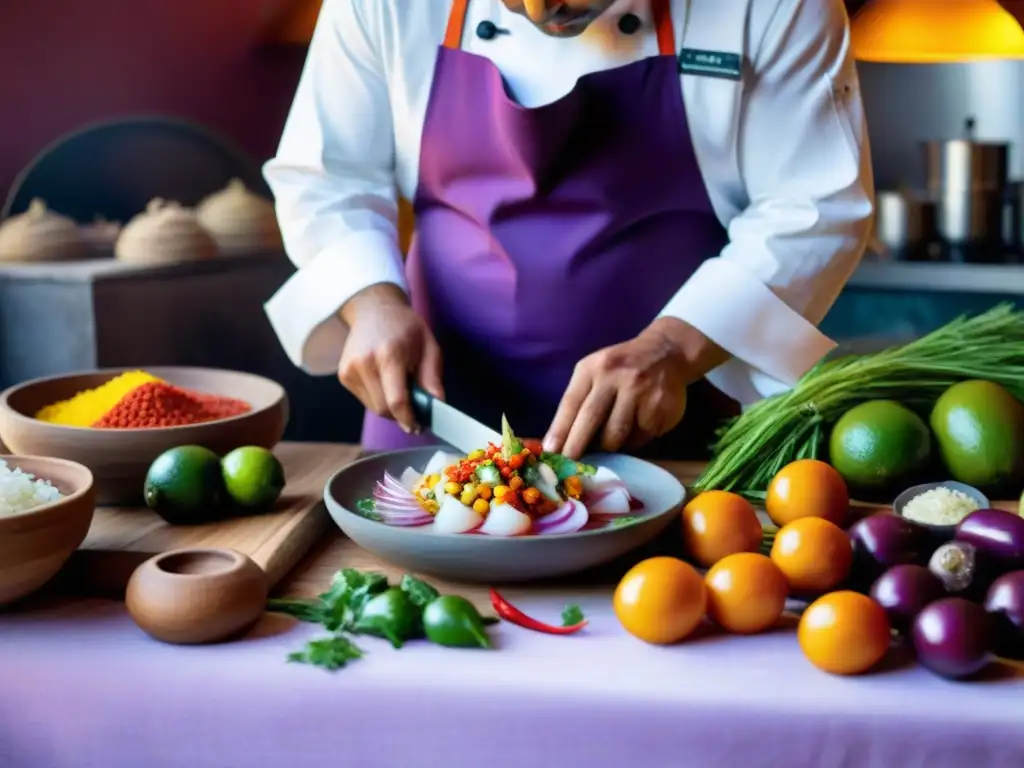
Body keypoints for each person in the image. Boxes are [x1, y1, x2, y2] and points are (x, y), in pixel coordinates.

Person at [264, 0, 873, 459]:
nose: (540, 10)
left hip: (674, 423)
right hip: (431, 418)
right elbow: (328, 174)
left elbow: (812, 206)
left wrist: (671, 349)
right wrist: (370, 303)